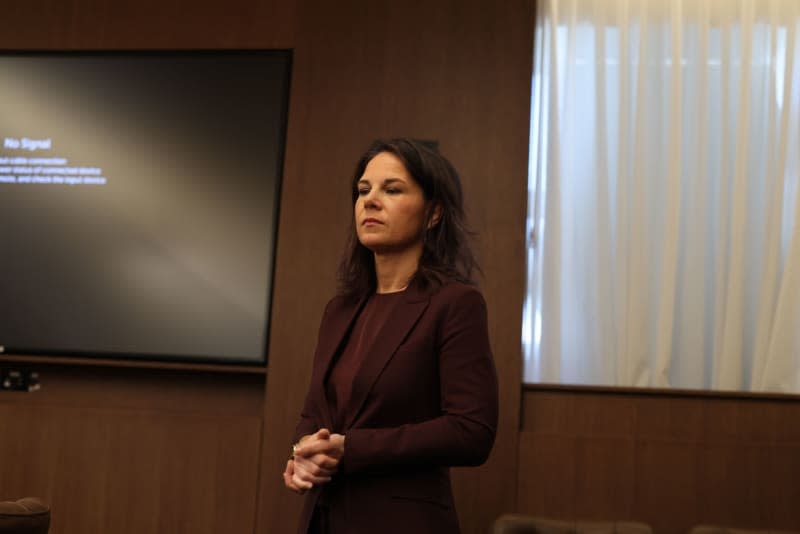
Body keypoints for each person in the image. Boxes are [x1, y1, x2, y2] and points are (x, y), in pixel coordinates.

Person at [283, 138, 498, 534]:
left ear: (433, 214)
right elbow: (315, 414)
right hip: (324, 519)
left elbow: (471, 431)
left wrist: (352, 449)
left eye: (392, 189)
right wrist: (302, 454)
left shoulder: (455, 304)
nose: (370, 201)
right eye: (363, 190)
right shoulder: (340, 310)